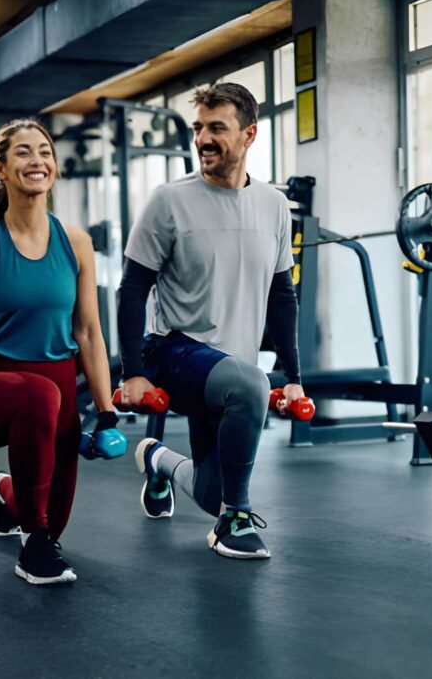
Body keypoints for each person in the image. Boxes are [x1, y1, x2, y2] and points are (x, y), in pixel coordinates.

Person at [117, 83, 304, 560]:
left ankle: (157, 460)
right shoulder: (168, 201)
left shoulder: (274, 206)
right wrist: (133, 372)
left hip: (229, 367)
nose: (202, 138)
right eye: (198, 127)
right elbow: (133, 288)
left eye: (216, 127)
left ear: (249, 135)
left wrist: (296, 379)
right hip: (174, 351)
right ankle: (235, 519)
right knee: (249, 385)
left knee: (207, 493)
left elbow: (283, 295)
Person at [0, 118, 118, 585]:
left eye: (45, 152)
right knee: (42, 531)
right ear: (0, 168)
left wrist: (107, 410)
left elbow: (90, 333)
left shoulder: (75, 242)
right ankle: (31, 550)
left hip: (56, 390)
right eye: (23, 152)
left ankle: (4, 493)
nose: (37, 161)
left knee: (53, 517)